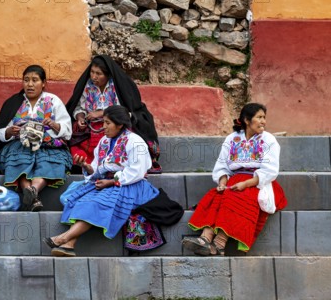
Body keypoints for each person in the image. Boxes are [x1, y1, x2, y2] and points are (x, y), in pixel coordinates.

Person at [43, 105, 161, 257]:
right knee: (82, 199)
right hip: (107, 183)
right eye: (103, 122)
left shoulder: (135, 141)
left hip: (131, 185)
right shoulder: (104, 141)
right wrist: (85, 166)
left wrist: (112, 182)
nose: (103, 127)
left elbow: (137, 171)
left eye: (107, 123)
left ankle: (63, 238)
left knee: (97, 203)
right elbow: (96, 169)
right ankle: (69, 245)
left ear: (119, 125)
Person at [181, 103, 287, 256]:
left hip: (258, 182)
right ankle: (205, 239)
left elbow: (270, 170)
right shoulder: (232, 139)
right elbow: (222, 164)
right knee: (216, 196)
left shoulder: (268, 140)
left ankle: (219, 243)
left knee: (237, 197)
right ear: (246, 120)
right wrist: (223, 183)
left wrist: (246, 184)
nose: (263, 121)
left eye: (264, 117)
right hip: (235, 180)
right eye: (259, 117)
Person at [0, 65, 73, 211]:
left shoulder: (53, 101)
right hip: (19, 144)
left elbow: (67, 131)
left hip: (48, 144)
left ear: (44, 83)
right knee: (18, 160)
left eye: (35, 80)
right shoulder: (14, 103)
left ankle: (32, 191)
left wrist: (54, 124)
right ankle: (32, 195)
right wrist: (9, 131)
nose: (30, 84)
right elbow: (0, 133)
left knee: (50, 161)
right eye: (26, 80)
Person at [66, 55, 162, 174]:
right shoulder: (87, 86)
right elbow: (79, 106)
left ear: (108, 75)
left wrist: (101, 113)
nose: (94, 77)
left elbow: (123, 109)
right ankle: (85, 164)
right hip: (90, 125)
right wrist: (80, 117)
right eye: (92, 72)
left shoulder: (117, 86)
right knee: (75, 130)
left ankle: (110, 165)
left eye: (99, 74)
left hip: (113, 123)